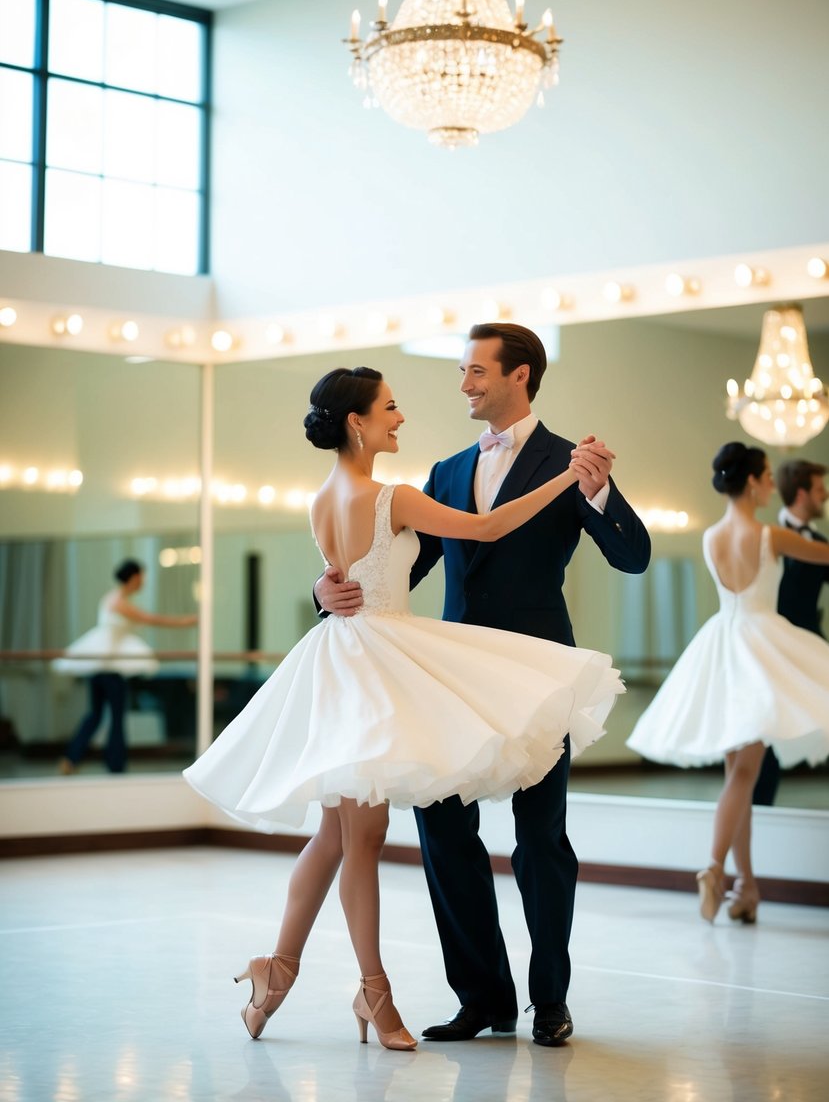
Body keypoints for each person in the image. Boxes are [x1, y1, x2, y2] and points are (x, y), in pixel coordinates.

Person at [184, 364, 624, 1053]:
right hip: (371, 665)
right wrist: (571, 476)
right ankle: (371, 990)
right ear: (357, 421)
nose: (400, 417)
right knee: (355, 839)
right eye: (390, 407)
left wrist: (323, 590)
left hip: (342, 658)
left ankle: (279, 972)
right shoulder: (391, 496)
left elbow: (346, 576)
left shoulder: (320, 497)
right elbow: (488, 527)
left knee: (336, 837)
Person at [316, 326, 651, 1049]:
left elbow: (634, 557)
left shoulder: (571, 462)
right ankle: (481, 998)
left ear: (517, 375)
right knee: (442, 834)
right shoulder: (441, 470)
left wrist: (599, 492)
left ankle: (549, 1002)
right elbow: (395, 564)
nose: (463, 383)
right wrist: (325, 589)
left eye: (474, 370)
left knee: (540, 840)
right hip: (449, 681)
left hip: (535, 676)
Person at [627, 442, 829, 925]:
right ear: (756, 482)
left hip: (721, 645)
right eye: (764, 477)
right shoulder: (770, 535)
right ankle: (714, 869)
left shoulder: (710, 536)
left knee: (737, 776)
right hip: (759, 648)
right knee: (743, 775)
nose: (767, 485)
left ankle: (748, 886)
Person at [55, 559, 197, 774]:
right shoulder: (118, 602)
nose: (143, 582)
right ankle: (113, 765)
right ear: (133, 578)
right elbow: (150, 619)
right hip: (109, 669)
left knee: (96, 715)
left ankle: (73, 759)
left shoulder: (113, 599)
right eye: (141, 577)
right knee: (113, 717)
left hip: (102, 666)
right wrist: (186, 622)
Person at [753, 458, 828, 805]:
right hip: (773, 652)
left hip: (812, 647)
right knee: (767, 732)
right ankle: (761, 813)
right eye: (819, 489)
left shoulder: (820, 542)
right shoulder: (762, 537)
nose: (825, 495)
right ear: (801, 493)